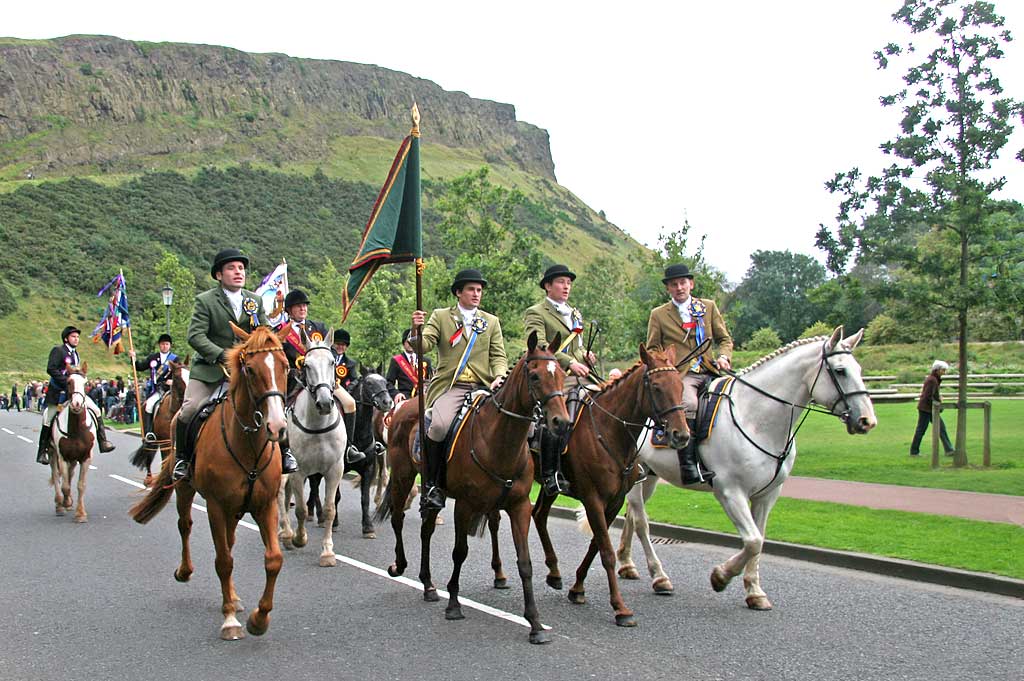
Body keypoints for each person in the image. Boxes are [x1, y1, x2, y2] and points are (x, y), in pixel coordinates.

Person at [171, 248, 298, 481]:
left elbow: (263, 332)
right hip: (210, 370)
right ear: (219, 275)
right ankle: (182, 459)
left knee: (275, 404)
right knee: (189, 410)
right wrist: (221, 355)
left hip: (247, 370)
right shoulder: (205, 301)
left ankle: (285, 451)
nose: (238, 272)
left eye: (241, 268)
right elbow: (196, 336)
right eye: (231, 268)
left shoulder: (255, 300)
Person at [410, 268, 507, 513]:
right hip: (452, 387)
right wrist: (415, 330)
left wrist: (499, 377)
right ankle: (432, 485)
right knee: (440, 426)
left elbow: (498, 356)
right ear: (458, 292)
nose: (476, 294)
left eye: (479, 290)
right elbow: (424, 346)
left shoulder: (491, 321)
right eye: (471, 289)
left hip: (484, 386)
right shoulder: (441, 316)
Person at [646, 263, 733, 485]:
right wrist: (667, 362)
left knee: (736, 398)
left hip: (711, 369)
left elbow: (724, 339)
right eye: (674, 284)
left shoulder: (708, 307)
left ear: (691, 284)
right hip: (682, 374)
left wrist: (724, 356)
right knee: (688, 404)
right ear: (668, 289)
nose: (679, 288)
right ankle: (689, 466)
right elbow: (652, 348)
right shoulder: (659, 315)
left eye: (683, 283)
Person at [523, 263, 599, 495]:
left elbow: (575, 346)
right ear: (548, 286)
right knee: (558, 413)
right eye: (561, 282)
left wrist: (585, 355)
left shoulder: (575, 313)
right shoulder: (536, 312)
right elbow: (540, 346)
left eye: (568, 283)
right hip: (554, 376)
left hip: (582, 373)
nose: (566, 287)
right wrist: (569, 363)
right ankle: (550, 473)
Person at [276, 289, 363, 463]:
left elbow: (329, 355)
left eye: (304, 306)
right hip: (294, 381)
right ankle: (283, 451)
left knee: (350, 403)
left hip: (321, 378)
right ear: (289, 310)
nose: (303, 309)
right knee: (278, 411)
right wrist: (294, 369)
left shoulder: (318, 327)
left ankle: (349, 448)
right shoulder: (280, 332)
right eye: (298, 306)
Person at [35, 325, 116, 465]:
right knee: (48, 418)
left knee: (96, 410)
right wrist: (66, 382)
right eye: (73, 336)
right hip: (58, 392)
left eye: (78, 337)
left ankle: (103, 441)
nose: (76, 339)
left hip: (74, 392)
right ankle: (43, 451)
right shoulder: (58, 350)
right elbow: (51, 369)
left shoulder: (75, 354)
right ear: (66, 338)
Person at [130, 333, 179, 440]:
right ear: (159, 345)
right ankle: (149, 432)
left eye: (166, 344)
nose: (164, 346)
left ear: (170, 345)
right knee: (149, 405)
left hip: (172, 389)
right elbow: (141, 367)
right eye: (162, 344)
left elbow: (179, 373)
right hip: (158, 389)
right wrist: (133, 359)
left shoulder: (175, 358)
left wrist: (173, 381)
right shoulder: (153, 357)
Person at [326, 327, 364, 462]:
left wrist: (347, 389)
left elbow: (355, 379)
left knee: (351, 403)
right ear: (333, 344)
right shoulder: (326, 355)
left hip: (338, 389)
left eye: (343, 345)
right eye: (338, 344)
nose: (340, 347)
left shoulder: (351, 363)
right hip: (323, 386)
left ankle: (349, 446)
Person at [910, 360, 955, 457]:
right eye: (943, 370)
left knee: (939, 428)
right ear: (937, 370)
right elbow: (928, 396)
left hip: (928, 408)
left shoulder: (933, 379)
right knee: (922, 430)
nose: (944, 372)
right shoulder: (932, 380)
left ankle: (949, 450)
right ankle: (914, 451)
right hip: (927, 409)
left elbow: (931, 395)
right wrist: (938, 404)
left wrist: (938, 399)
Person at [385, 328, 434, 403]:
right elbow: (389, 382)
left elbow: (430, 380)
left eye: (412, 342)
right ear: (403, 343)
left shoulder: (426, 361)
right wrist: (396, 394)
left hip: (422, 398)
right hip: (404, 398)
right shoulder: (396, 361)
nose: (410, 344)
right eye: (408, 342)